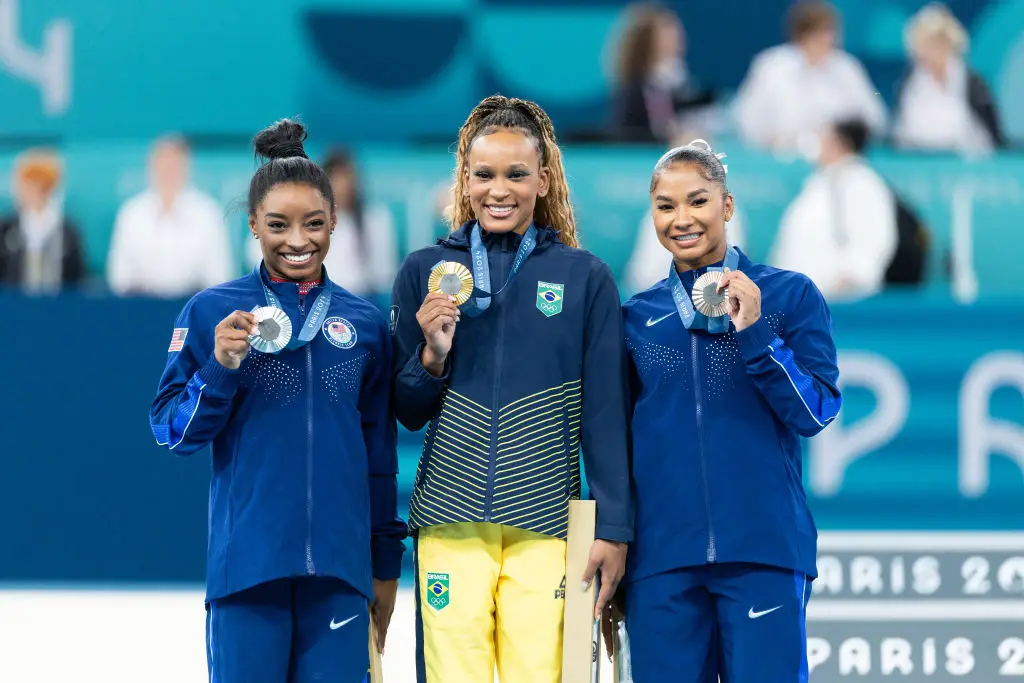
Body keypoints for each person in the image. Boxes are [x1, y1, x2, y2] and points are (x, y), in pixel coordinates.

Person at [149, 120, 406, 683]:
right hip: (248, 570)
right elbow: (172, 431)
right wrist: (219, 368)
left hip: (339, 573)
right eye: (278, 225)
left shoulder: (363, 324)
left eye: (314, 224)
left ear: (335, 222)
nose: (298, 240)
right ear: (252, 225)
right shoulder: (211, 311)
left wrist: (386, 565)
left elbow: (379, 457)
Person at [390, 95, 633, 683]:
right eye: (485, 174)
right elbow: (407, 410)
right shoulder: (424, 272)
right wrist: (433, 353)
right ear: (465, 181)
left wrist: (614, 529)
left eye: (517, 174)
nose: (500, 190)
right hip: (449, 518)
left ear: (543, 179)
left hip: (547, 521)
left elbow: (604, 416)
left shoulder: (584, 277)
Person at [618, 141, 842, 682]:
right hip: (662, 564)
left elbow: (813, 414)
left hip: (762, 552)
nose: (682, 219)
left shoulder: (789, 296)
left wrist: (758, 334)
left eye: (697, 201)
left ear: (728, 205)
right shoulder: (635, 318)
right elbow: (614, 444)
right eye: (666, 206)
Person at [769, 118, 898, 302]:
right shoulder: (819, 182)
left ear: (840, 143)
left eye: (823, 137)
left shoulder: (861, 182)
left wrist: (852, 278)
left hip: (840, 303)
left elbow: (874, 238)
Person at [733, 0, 886, 155]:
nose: (826, 40)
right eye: (818, 33)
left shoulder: (847, 68)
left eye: (830, 32)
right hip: (781, 159)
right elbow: (747, 120)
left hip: (836, 162)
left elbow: (875, 118)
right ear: (801, 34)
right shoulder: (771, 67)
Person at [246, 148, 399, 301]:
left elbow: (383, 275)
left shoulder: (375, 217)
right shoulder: (293, 214)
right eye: (336, 180)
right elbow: (254, 252)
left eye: (347, 180)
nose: (343, 188)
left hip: (360, 297)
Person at [107, 135, 234, 298]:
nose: (168, 170)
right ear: (151, 166)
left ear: (186, 166)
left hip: (193, 310)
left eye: (175, 163)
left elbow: (219, 276)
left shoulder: (208, 212)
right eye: (162, 163)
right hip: (140, 309)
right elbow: (119, 277)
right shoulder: (131, 213)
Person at [893, 2, 1006, 154]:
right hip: (919, 163)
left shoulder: (973, 84)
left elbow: (994, 136)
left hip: (970, 166)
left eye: (935, 43)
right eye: (923, 45)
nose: (928, 52)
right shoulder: (908, 83)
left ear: (949, 42)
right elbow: (900, 131)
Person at [0, 148, 87, 293]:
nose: (17, 189)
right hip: (12, 308)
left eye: (25, 183)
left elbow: (77, 278)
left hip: (57, 307)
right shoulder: (6, 229)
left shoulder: (67, 231)